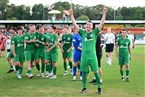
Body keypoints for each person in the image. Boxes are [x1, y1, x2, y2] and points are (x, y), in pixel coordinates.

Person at [64, 5, 107, 94]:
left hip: (93, 56)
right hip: (84, 56)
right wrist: (71, 15)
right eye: (87, 25)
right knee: (83, 72)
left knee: (95, 72)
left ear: (92, 26)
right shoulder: (82, 32)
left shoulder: (95, 32)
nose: (88, 26)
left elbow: (102, 23)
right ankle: (84, 88)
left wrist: (104, 13)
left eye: (90, 25)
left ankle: (99, 88)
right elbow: (74, 24)